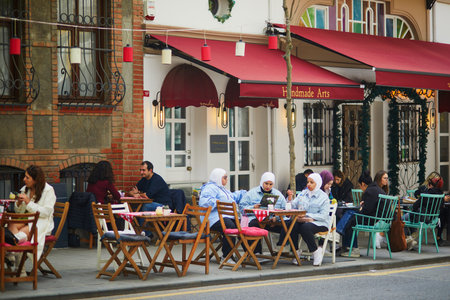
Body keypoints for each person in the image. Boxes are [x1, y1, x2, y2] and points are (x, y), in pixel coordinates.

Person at [9, 165, 56, 261]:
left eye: (27, 177)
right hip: (26, 219)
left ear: (36, 180)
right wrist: (19, 204)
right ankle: (16, 258)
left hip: (40, 222)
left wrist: (28, 202)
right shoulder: (25, 189)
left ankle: (16, 260)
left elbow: (46, 212)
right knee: (11, 225)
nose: (24, 179)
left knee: (21, 234)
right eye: (25, 176)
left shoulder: (48, 191)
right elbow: (19, 212)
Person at [199, 168, 246, 261]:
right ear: (217, 178)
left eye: (226, 177)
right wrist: (217, 202)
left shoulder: (222, 188)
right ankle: (227, 256)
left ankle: (249, 254)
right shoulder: (210, 188)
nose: (226, 179)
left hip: (226, 216)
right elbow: (203, 202)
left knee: (243, 226)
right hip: (213, 219)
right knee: (230, 228)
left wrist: (243, 193)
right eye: (224, 177)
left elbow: (232, 197)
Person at [339, 170, 387, 257]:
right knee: (351, 215)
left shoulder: (369, 191)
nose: (361, 188)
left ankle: (352, 248)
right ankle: (346, 244)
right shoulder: (377, 189)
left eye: (360, 186)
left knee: (351, 218)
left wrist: (360, 208)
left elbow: (366, 211)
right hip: (382, 220)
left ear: (363, 184)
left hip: (374, 220)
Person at [239, 172, 287, 254]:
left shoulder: (277, 194)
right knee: (253, 225)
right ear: (262, 182)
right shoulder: (252, 193)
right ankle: (256, 252)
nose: (268, 186)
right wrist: (253, 207)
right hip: (255, 219)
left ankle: (284, 249)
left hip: (272, 221)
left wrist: (276, 218)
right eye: (266, 183)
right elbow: (241, 207)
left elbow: (284, 209)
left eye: (270, 184)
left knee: (289, 225)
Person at [289, 173, 330, 266]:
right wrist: (290, 199)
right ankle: (295, 252)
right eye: (308, 182)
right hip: (303, 221)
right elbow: (293, 205)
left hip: (320, 223)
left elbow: (324, 215)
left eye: (312, 182)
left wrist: (308, 216)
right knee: (291, 224)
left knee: (305, 227)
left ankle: (315, 252)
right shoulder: (303, 193)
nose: (309, 184)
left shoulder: (323, 197)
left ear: (318, 183)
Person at [405, 173, 446, 249]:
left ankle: (407, 238)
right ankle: (410, 239)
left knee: (404, 218)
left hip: (421, 218)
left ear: (430, 184)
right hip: (432, 220)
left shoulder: (426, 195)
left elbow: (415, 206)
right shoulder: (441, 196)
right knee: (410, 216)